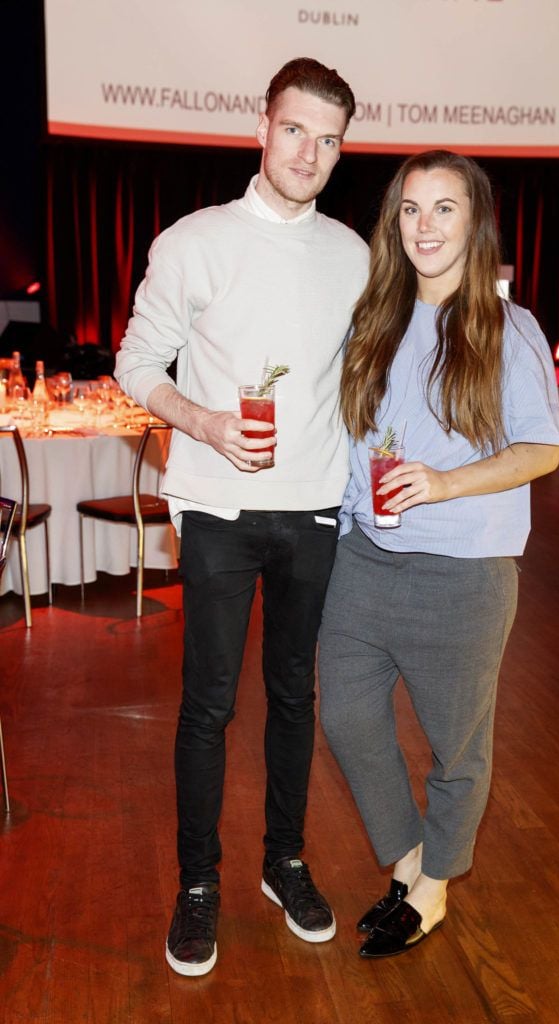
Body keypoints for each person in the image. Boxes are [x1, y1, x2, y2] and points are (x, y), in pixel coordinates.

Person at [115, 57, 369, 976]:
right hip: (219, 506)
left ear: (342, 150)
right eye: (295, 129)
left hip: (313, 510)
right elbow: (135, 363)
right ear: (261, 126)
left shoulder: (353, 255)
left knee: (296, 696)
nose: (309, 151)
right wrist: (206, 422)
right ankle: (196, 884)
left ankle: (285, 863)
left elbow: (365, 377)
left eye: (329, 138)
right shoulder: (193, 241)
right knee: (209, 705)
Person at [317, 150, 559, 959]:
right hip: (363, 557)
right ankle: (411, 858)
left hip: (463, 571)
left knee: (456, 743)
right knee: (346, 715)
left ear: (474, 221)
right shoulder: (372, 320)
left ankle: (431, 891)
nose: (424, 225)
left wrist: (446, 483)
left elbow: (541, 450)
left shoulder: (506, 326)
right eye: (410, 209)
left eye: (443, 208)